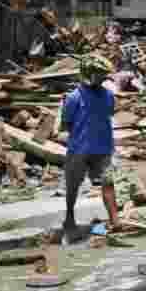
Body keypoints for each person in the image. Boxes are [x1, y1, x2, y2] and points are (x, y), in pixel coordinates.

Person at [61, 53, 120, 239]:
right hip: (98, 147)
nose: (103, 78)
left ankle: (113, 220)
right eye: (100, 75)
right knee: (100, 184)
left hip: (85, 148)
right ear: (90, 74)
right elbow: (109, 113)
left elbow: (66, 124)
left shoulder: (73, 97)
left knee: (80, 185)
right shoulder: (103, 96)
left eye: (104, 75)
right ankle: (72, 218)